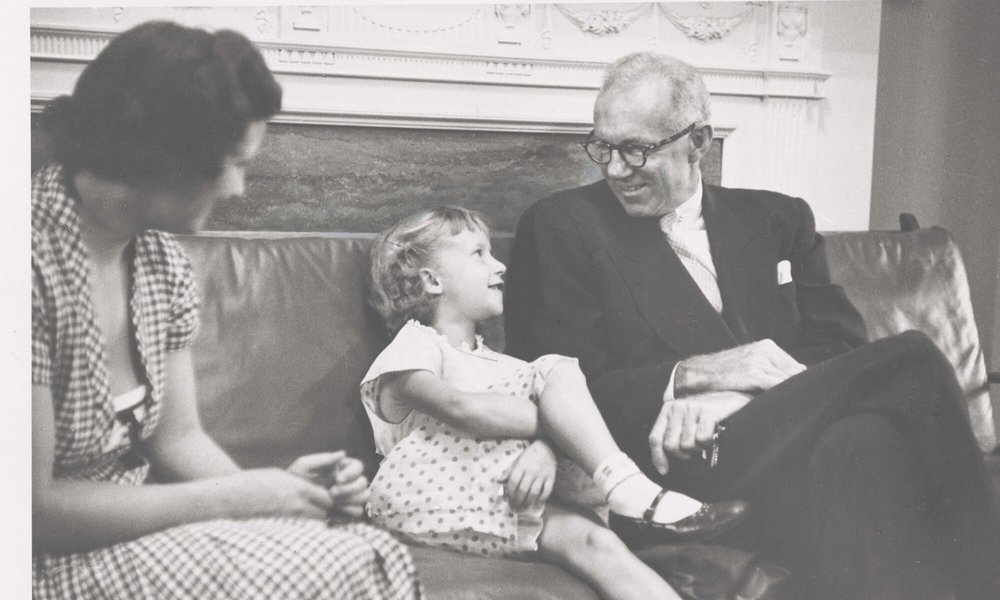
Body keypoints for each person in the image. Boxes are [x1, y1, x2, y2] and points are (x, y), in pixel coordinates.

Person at [503, 51, 1000, 600]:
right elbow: (557, 385)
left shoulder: (777, 218)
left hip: (792, 459)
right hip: (681, 472)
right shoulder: (562, 227)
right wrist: (693, 375)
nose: (616, 168)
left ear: (699, 143)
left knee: (863, 441)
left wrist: (734, 398)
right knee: (912, 359)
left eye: (637, 150)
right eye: (603, 147)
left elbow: (841, 346)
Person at [32, 21, 419, 599]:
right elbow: (31, 510)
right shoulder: (28, 264)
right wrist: (227, 501)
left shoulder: (160, 262)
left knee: (366, 551)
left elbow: (178, 440)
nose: (239, 188)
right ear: (159, 155)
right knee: (356, 565)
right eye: (233, 162)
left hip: (126, 534)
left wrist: (274, 495)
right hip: (38, 560)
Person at [362, 206, 748, 600]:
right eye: (479, 254)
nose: (499, 266)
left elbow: (533, 427)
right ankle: (628, 488)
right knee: (558, 369)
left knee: (600, 546)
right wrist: (563, 427)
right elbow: (464, 411)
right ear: (431, 280)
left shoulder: (508, 366)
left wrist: (546, 451)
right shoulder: (416, 345)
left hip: (506, 491)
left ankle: (631, 495)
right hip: (433, 494)